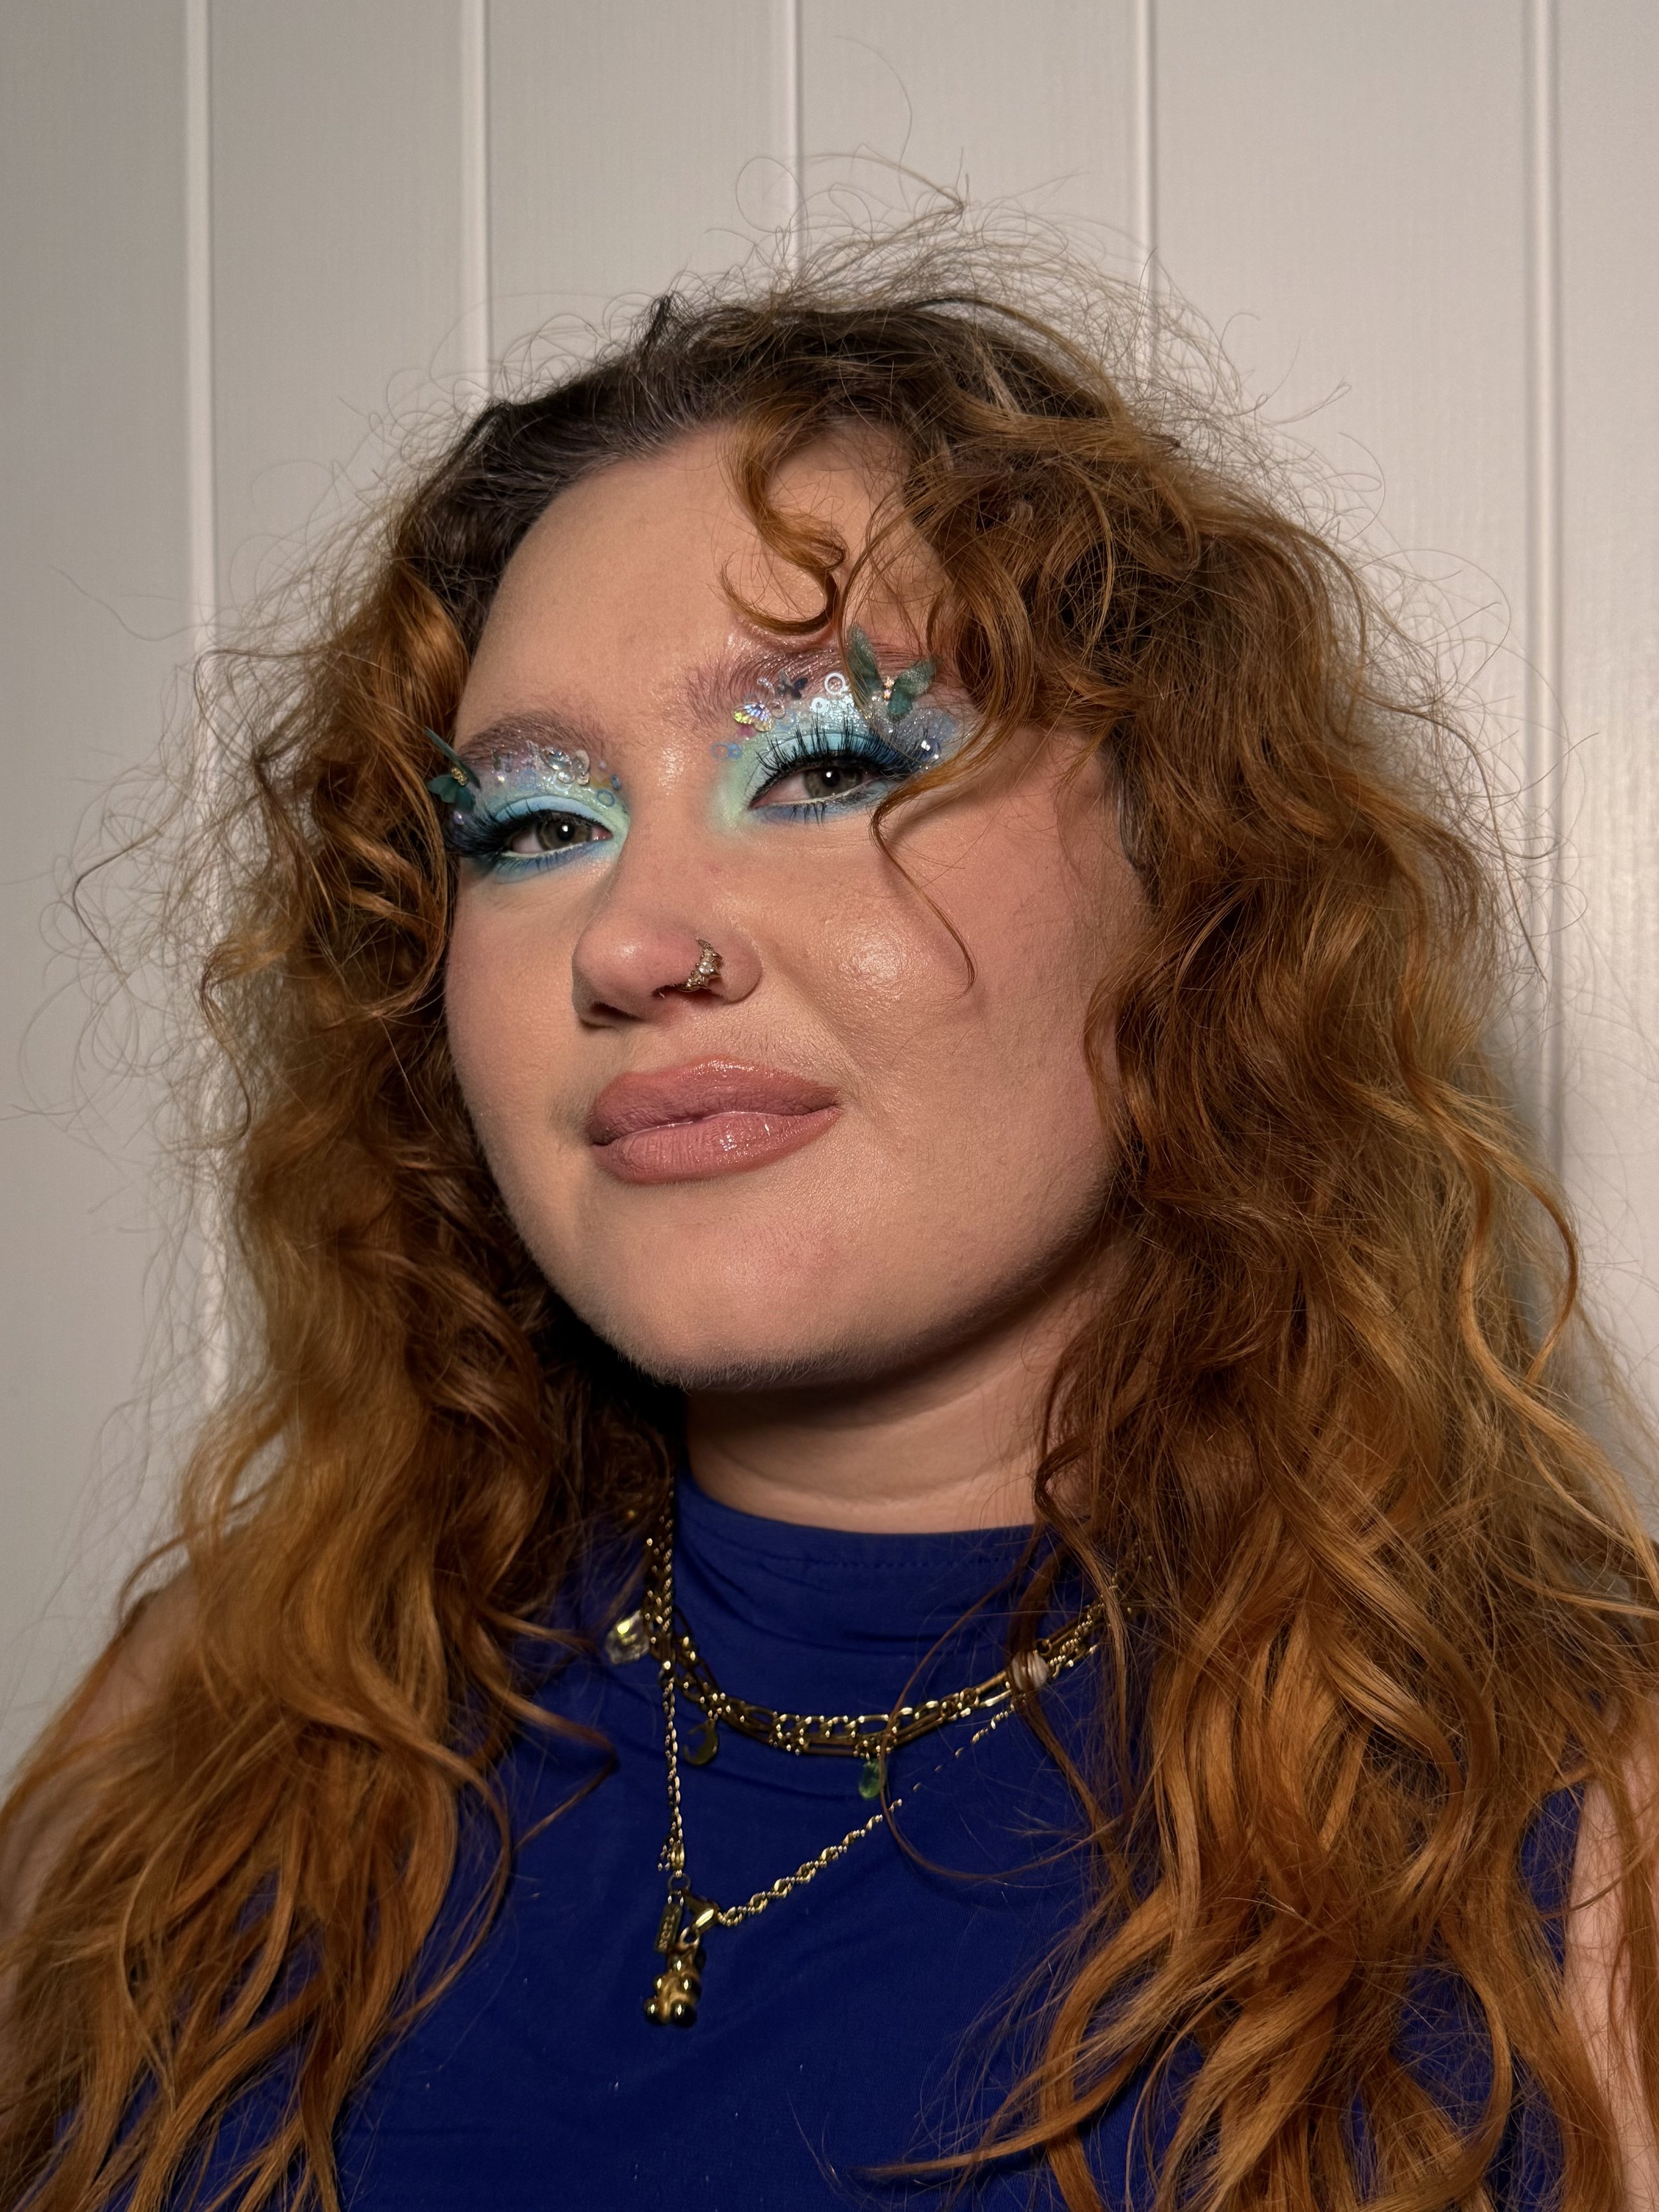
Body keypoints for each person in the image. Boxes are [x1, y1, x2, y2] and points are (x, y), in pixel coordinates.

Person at [1, 228, 1656, 2212]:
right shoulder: (211, 1731)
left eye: (832, 762)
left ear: (1194, 886)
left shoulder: (1583, 1851)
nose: (629, 937)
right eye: (530, 828)